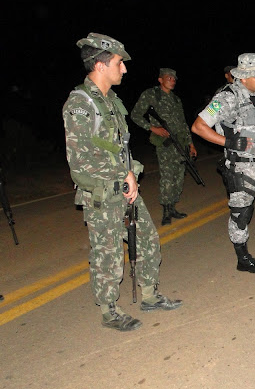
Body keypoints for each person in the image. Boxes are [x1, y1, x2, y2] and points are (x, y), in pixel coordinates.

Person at [63, 33, 182, 331]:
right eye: (119, 63)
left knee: (147, 240)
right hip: (102, 194)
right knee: (109, 255)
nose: (125, 69)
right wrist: (122, 173)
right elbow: (80, 160)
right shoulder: (80, 103)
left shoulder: (111, 101)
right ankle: (109, 311)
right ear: (101, 66)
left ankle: (150, 295)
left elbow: (116, 147)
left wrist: (130, 172)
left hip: (124, 189)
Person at [192, 53, 255, 274]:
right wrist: (228, 142)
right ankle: (243, 258)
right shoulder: (226, 98)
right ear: (244, 77)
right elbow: (198, 126)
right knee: (241, 213)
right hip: (243, 165)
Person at [130, 68, 197, 226]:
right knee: (167, 176)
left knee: (179, 177)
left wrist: (191, 143)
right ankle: (166, 211)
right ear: (160, 79)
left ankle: (173, 207)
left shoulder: (176, 99)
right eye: (169, 78)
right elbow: (135, 115)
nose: (172, 81)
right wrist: (152, 128)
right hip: (165, 144)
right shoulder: (151, 95)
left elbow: (183, 123)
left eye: (174, 79)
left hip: (180, 143)